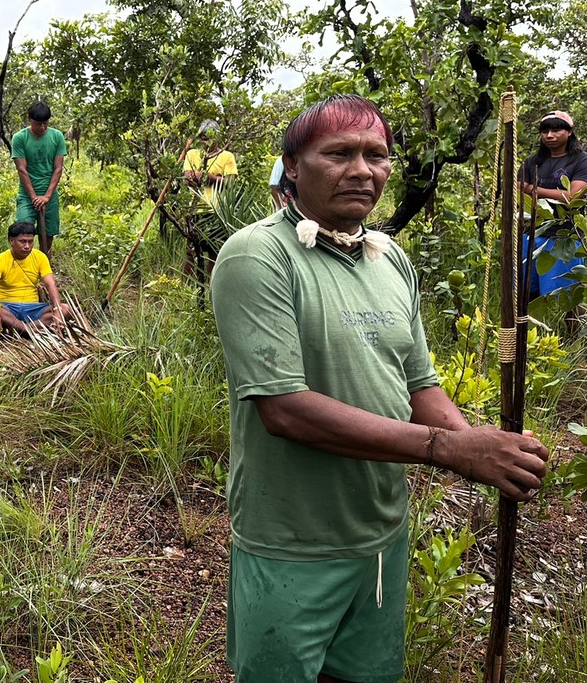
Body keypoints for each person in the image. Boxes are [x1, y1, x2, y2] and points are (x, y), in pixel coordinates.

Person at [211, 94, 548, 683]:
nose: (362, 170)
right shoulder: (257, 256)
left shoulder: (390, 259)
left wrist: (483, 450)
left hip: (381, 538)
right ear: (292, 165)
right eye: (338, 153)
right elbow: (285, 409)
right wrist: (446, 450)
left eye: (377, 155)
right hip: (291, 543)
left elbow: (421, 384)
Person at [519, 110, 587, 331]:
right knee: (528, 292)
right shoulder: (531, 163)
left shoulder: (581, 160)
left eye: (556, 129)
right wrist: (552, 193)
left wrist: (534, 190)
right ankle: (529, 339)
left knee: (570, 295)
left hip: (566, 237)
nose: (549, 135)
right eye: (545, 131)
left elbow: (573, 197)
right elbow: (518, 192)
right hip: (532, 235)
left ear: (569, 132)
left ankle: (574, 343)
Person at [0, 221, 74, 334]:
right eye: (22, 242)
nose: (27, 246)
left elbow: (50, 284)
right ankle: (30, 330)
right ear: (12, 241)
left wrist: (57, 310)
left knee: (66, 309)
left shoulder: (40, 257)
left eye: (30, 242)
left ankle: (20, 329)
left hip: (33, 309)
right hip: (7, 307)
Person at [11, 101, 67, 258]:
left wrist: (47, 196)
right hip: (27, 195)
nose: (42, 127)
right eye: (38, 124)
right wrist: (34, 197)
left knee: (47, 235)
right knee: (23, 233)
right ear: (29, 120)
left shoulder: (57, 136)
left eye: (45, 123)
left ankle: (44, 269)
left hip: (50, 194)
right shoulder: (19, 138)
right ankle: (24, 269)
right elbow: (22, 169)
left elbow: (58, 168)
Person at [182, 118, 237, 278]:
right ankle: (186, 288)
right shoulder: (192, 154)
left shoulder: (227, 157)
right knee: (191, 252)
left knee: (215, 252)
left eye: (209, 139)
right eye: (203, 139)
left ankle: (212, 288)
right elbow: (188, 179)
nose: (206, 143)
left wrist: (205, 176)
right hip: (195, 210)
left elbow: (230, 183)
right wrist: (216, 178)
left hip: (217, 211)